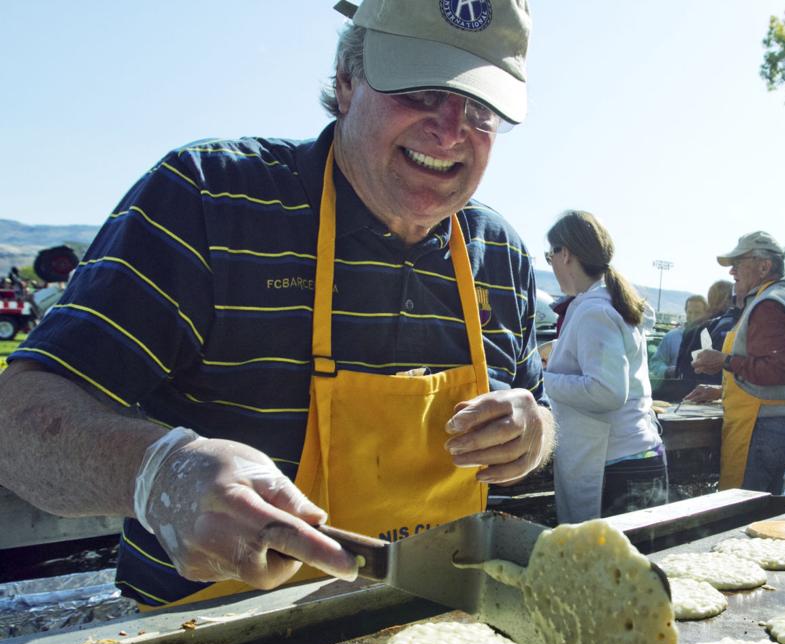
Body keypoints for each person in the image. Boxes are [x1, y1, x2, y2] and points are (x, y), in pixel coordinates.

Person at [0, 0, 554, 609]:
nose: (450, 131)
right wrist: (159, 471)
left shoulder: (500, 253)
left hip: (434, 631)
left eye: (480, 108)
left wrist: (533, 435)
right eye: (420, 92)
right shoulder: (209, 201)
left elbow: (542, 413)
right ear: (347, 82)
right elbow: (16, 424)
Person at [542, 211, 667, 523]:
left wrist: (544, 380)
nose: (552, 265)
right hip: (629, 460)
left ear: (565, 254)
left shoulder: (595, 310)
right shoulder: (605, 302)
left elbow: (606, 391)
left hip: (615, 467)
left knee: (612, 570)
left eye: (550, 256)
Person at [684, 231, 785, 493]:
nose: (732, 272)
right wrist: (722, 390)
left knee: (743, 517)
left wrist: (724, 360)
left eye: (739, 263)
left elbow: (776, 371)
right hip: (778, 425)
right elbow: (778, 378)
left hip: (761, 429)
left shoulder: (768, 305)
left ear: (764, 266)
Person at [672, 280, 734, 396]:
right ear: (727, 299)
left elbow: (681, 363)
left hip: (686, 386)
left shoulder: (694, 325)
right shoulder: (725, 324)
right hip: (709, 390)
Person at [648, 294, 706, 384]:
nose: (693, 316)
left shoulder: (711, 336)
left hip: (704, 390)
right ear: (685, 312)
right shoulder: (671, 337)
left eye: (697, 313)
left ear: (705, 313)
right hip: (676, 391)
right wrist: (667, 370)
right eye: (690, 312)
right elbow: (655, 363)